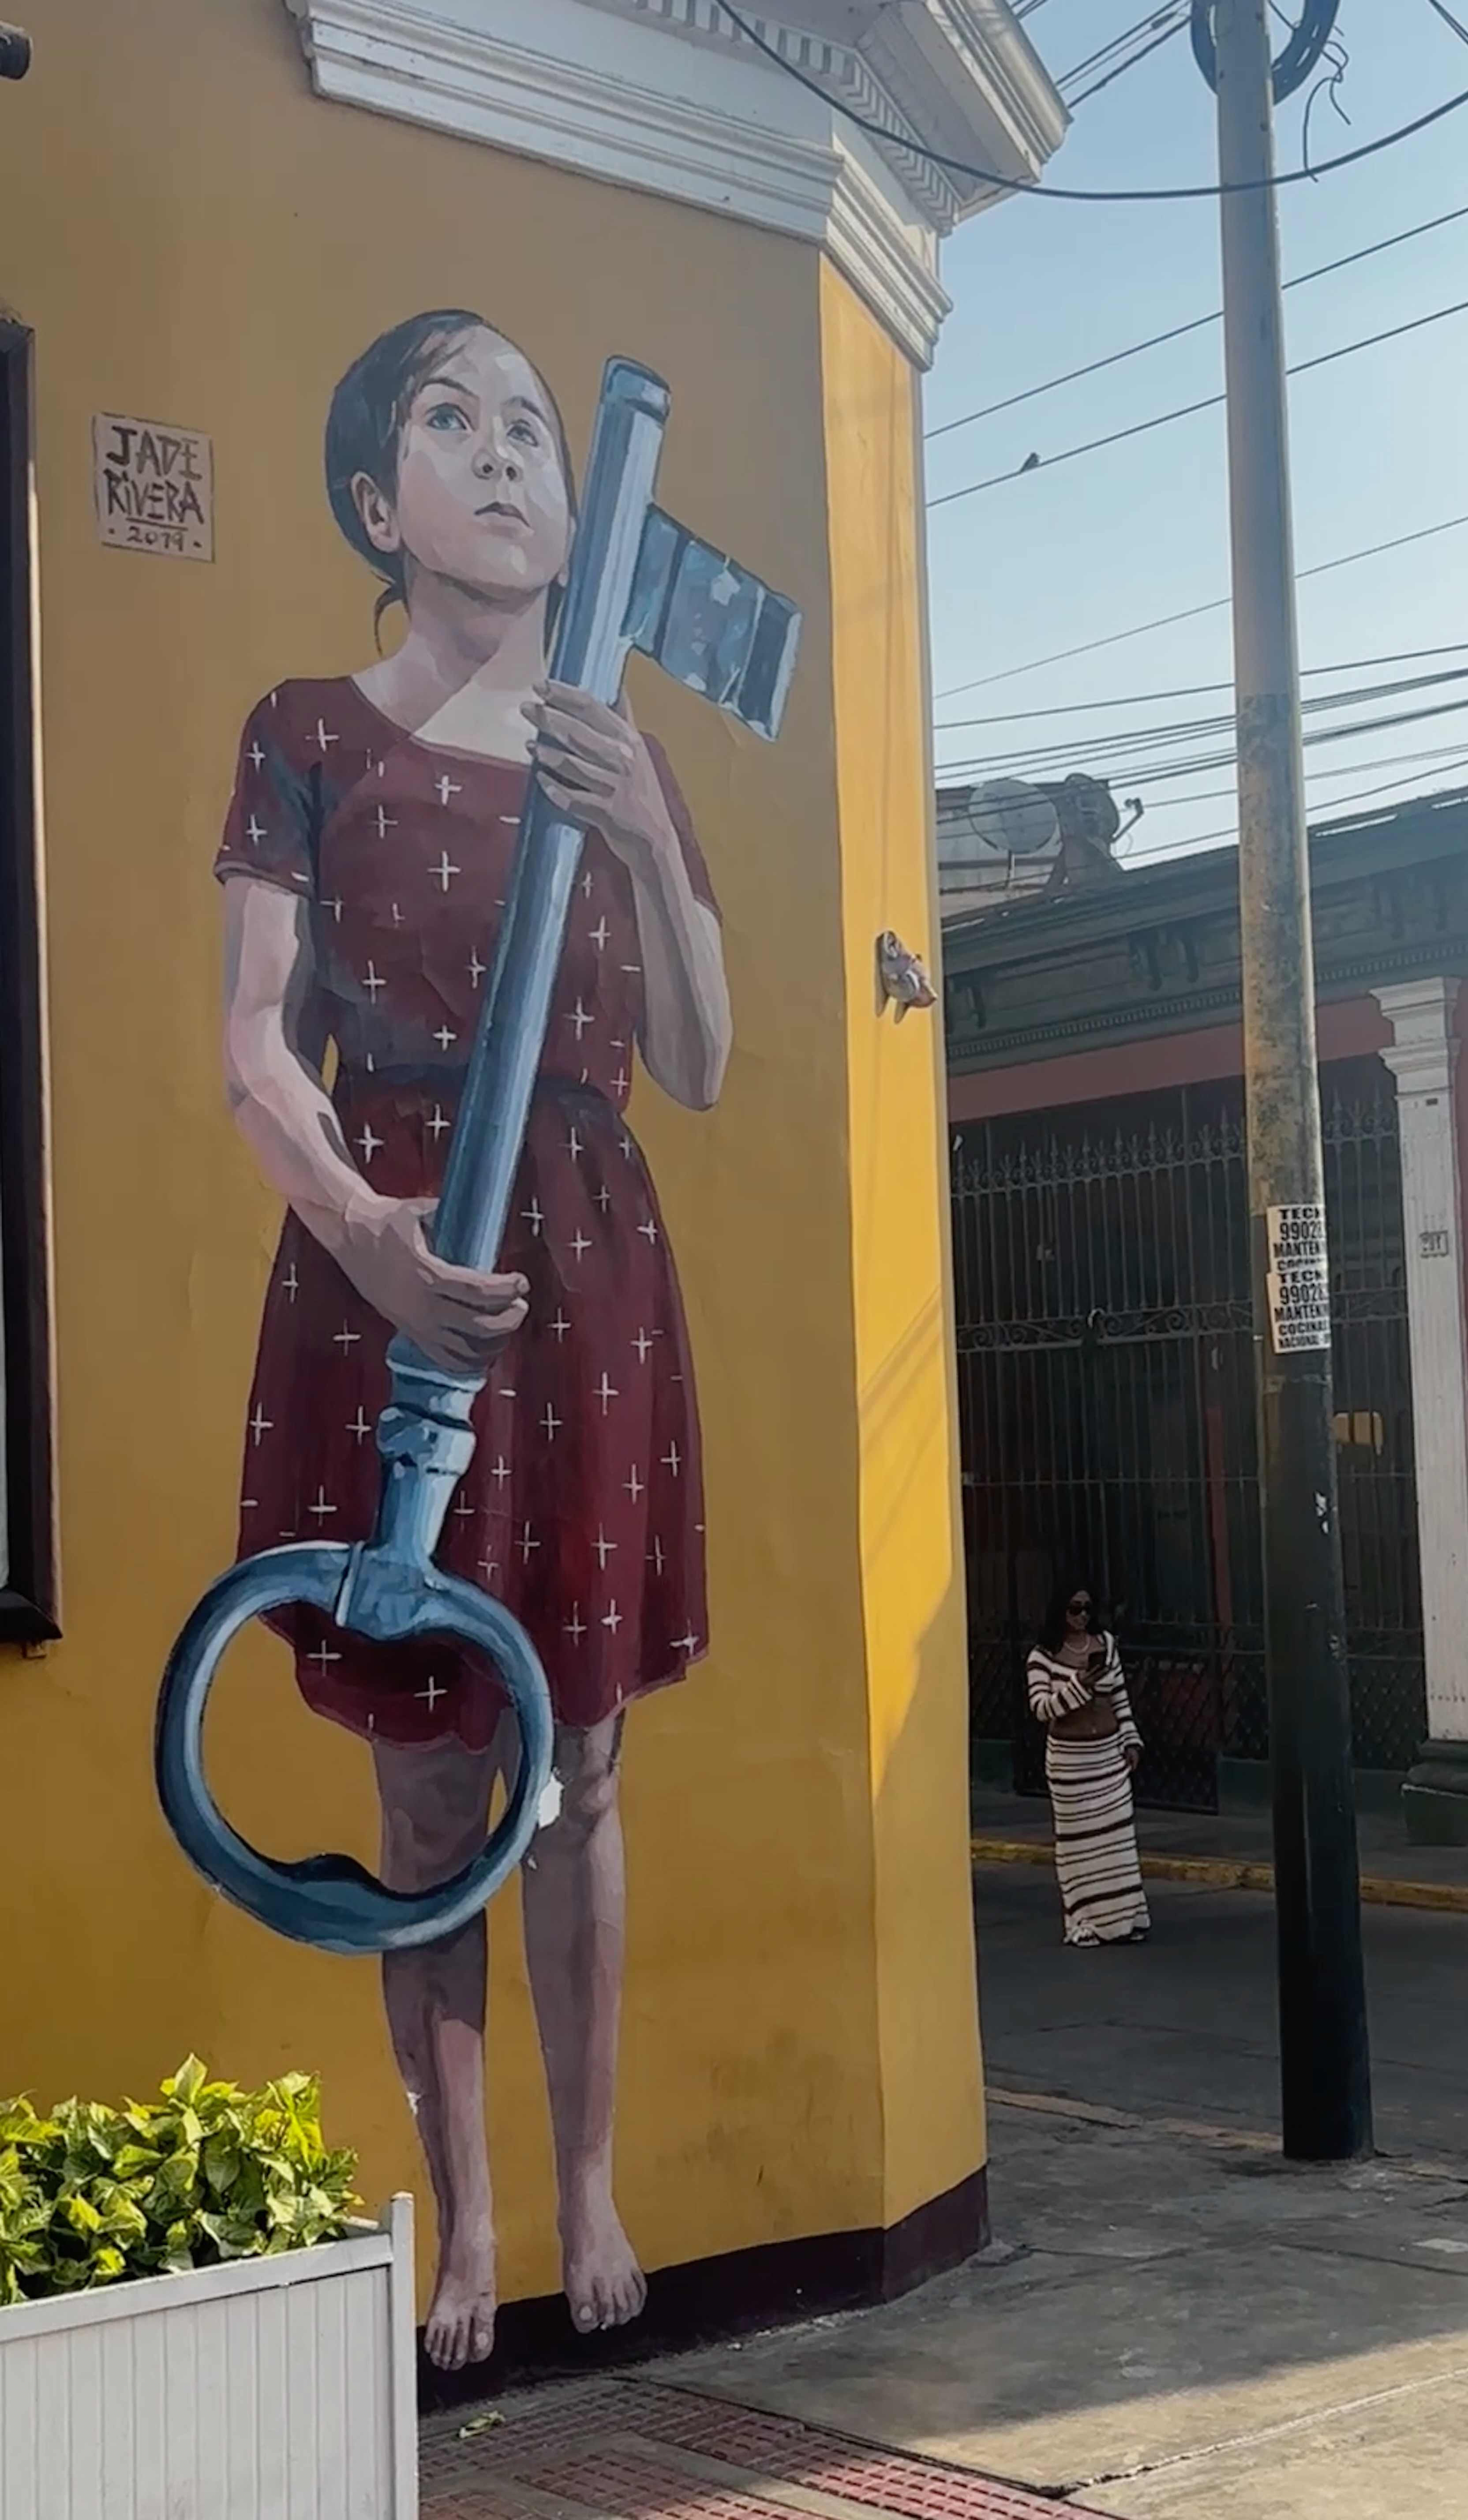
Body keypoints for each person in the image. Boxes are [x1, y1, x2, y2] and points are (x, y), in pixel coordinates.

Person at [215, 309, 732, 2371]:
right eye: (455, 419)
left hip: (587, 1275)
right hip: (396, 1275)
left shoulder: (621, 747)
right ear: (379, 495)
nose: (507, 454)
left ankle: (589, 2186)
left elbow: (701, 1053)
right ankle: (471, 2224)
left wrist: (642, 837)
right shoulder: (305, 733)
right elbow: (256, 1044)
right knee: (432, 1795)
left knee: (581, 1774)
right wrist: (369, 1237)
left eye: (532, 425)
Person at [1026, 1579, 1149, 1947]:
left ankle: (1125, 1920)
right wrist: (1079, 1685)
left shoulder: (1107, 1645)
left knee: (1117, 1841)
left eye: (1087, 1609)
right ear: (1060, 1611)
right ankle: (1085, 1921)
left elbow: (1120, 1698)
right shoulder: (1042, 1658)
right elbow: (1042, 1709)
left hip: (1108, 1758)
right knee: (1080, 1845)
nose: (1081, 1616)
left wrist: (1131, 1740)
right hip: (1070, 1765)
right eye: (1074, 1609)